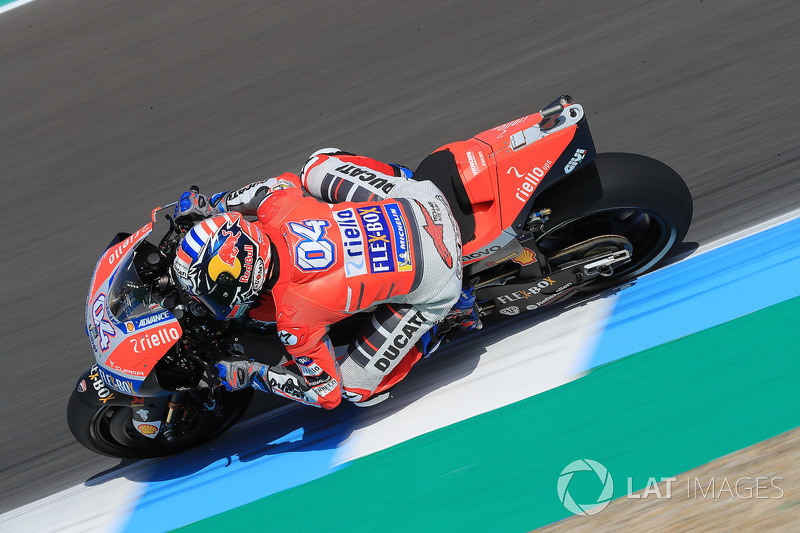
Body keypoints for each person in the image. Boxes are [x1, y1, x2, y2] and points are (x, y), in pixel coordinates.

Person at [172, 149, 479, 409]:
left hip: (441, 273)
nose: (208, 304)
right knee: (316, 164)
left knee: (353, 389)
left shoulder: (295, 319)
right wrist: (213, 205)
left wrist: (252, 374)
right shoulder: (278, 208)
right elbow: (275, 185)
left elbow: (326, 395)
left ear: (242, 283)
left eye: (213, 296)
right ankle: (400, 176)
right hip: (422, 200)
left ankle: (446, 319)